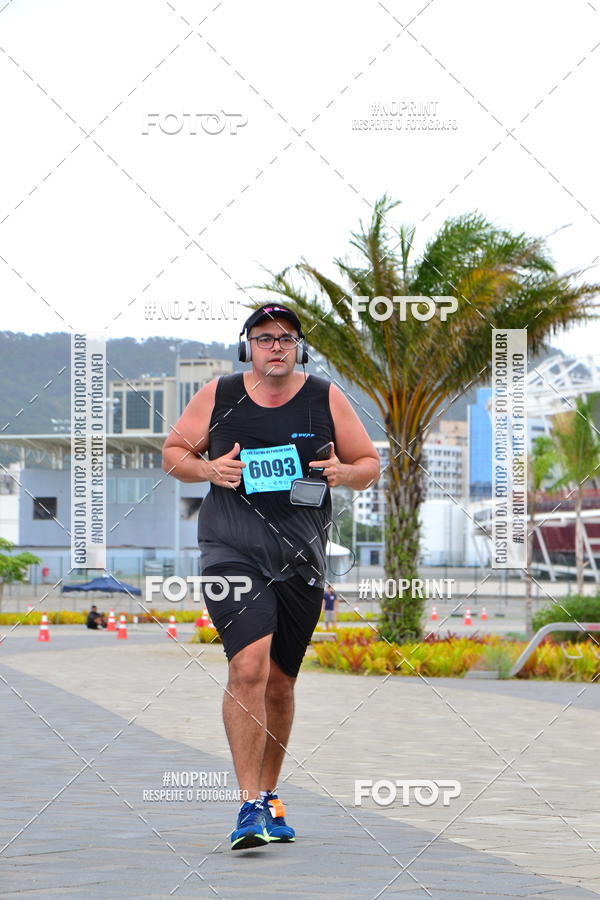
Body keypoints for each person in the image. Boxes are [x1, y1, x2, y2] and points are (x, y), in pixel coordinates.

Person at [162, 303, 380, 850]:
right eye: (264, 338)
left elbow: (368, 466)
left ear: (298, 347)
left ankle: (269, 796)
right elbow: (171, 455)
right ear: (248, 347)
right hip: (230, 551)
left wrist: (342, 472)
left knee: (281, 684)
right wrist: (209, 468)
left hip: (301, 559)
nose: (275, 347)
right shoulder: (218, 394)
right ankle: (246, 805)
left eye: (285, 338)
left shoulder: (324, 397)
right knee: (249, 666)